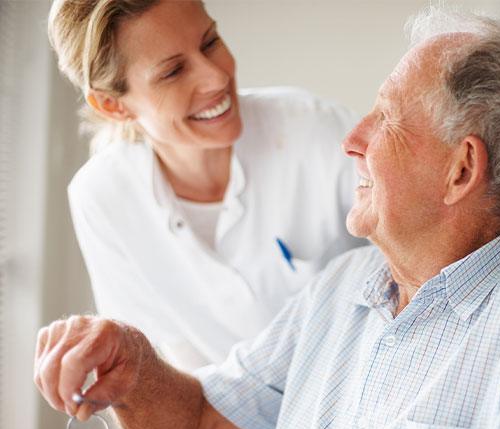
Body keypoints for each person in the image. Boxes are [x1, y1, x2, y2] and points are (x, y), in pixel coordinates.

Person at [36, 9, 500, 429]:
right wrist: (132, 364)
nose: (351, 140)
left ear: (461, 169)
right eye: (172, 70)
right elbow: (194, 424)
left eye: (384, 119)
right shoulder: (341, 289)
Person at [48, 0, 364, 370]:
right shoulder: (102, 198)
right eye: (174, 71)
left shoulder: (312, 128)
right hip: (235, 417)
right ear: (113, 106)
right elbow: (169, 365)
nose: (217, 77)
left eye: (210, 41)